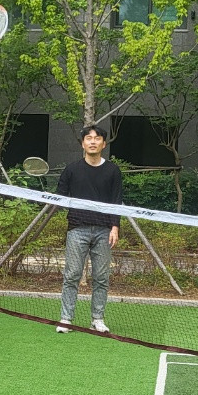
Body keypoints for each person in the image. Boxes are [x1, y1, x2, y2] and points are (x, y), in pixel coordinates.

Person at [55, 124, 122, 334]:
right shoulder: (71, 170)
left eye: (97, 138)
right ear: (83, 144)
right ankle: (66, 319)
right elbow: (60, 198)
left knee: (101, 278)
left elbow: (116, 201)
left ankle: (97, 319)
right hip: (77, 229)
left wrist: (115, 227)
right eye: (89, 138)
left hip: (104, 231)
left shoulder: (113, 170)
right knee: (72, 275)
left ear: (103, 144)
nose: (93, 142)